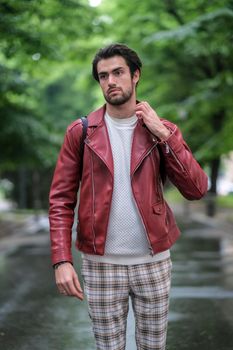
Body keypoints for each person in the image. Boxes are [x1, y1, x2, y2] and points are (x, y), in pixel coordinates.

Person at [49, 43, 208, 350]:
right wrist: (61, 260)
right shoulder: (80, 133)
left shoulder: (161, 131)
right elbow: (61, 200)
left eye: (118, 72)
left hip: (154, 263)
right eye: (103, 75)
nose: (110, 81)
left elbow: (196, 189)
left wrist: (164, 135)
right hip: (100, 265)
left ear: (136, 75)